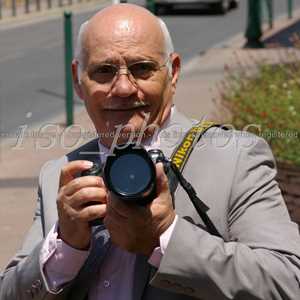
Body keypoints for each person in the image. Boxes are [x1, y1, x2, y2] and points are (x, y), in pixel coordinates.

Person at [1, 4, 300, 300]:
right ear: (79, 80)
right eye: (104, 72)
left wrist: (167, 237)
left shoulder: (233, 158)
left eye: (141, 68)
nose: (123, 88)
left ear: (173, 73)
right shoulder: (62, 175)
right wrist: (65, 247)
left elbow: (288, 281)